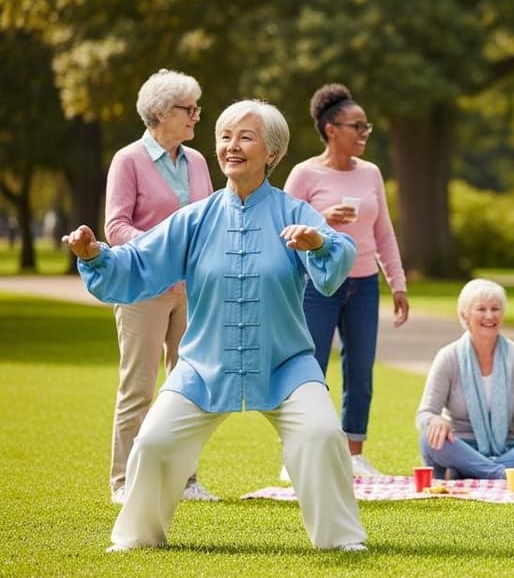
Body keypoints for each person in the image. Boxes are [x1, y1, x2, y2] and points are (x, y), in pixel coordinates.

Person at [63, 99, 367, 553]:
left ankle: (341, 539)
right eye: (225, 137)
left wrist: (319, 241)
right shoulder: (195, 218)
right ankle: (137, 538)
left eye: (245, 137)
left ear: (272, 153)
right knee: (155, 442)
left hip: (285, 364)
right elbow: (140, 262)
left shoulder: (293, 213)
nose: (231, 146)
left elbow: (338, 255)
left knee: (323, 434)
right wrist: (95, 255)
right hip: (203, 365)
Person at [284, 83, 410, 478]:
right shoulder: (304, 174)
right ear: (330, 129)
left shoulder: (371, 173)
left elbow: (384, 232)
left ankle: (354, 454)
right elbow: (281, 228)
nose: (363, 134)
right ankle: (297, 454)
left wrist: (399, 283)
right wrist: (323, 220)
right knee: (309, 369)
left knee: (360, 371)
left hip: (364, 284)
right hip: (318, 286)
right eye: (356, 126)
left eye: (365, 127)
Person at [103, 69, 216, 505]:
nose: (196, 118)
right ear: (160, 113)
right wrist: (163, 249)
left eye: (196, 109)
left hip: (191, 290)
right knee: (139, 387)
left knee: (188, 384)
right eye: (190, 110)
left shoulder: (199, 161)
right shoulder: (128, 159)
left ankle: (185, 480)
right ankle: (123, 482)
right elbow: (115, 227)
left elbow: (207, 218)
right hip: (143, 289)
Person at [415, 279, 514, 480]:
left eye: (495, 309)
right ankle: (502, 474)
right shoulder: (448, 356)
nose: (489, 316)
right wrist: (436, 420)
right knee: (429, 439)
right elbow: (425, 413)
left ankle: (469, 471)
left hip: (508, 447)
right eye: (481, 309)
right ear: (464, 315)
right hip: (463, 446)